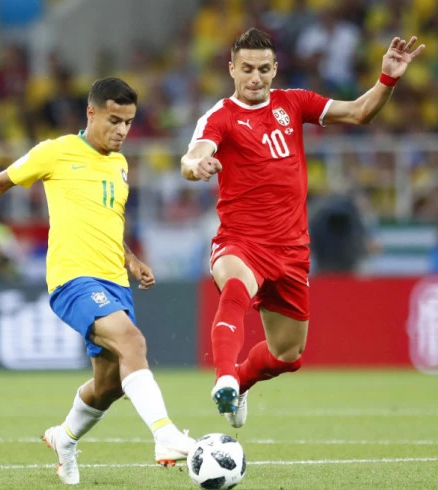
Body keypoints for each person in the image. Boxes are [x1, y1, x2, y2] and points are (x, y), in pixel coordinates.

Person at [0, 78, 194, 485]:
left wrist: (131, 259)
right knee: (132, 342)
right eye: (114, 120)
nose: (122, 130)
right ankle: (164, 435)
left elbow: (105, 219)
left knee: (109, 385)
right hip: (72, 279)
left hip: (115, 282)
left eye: (129, 122)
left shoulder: (120, 164)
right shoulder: (56, 152)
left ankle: (64, 439)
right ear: (91, 113)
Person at [180, 28, 424, 427]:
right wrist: (197, 166)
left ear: (275, 69)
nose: (255, 77)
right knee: (236, 287)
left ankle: (239, 380)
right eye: (246, 69)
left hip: (291, 251)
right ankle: (224, 377)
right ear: (232, 69)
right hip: (241, 242)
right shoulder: (219, 116)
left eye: (263, 69)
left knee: (287, 355)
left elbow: (359, 112)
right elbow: (192, 157)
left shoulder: (293, 103)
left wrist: (387, 79)